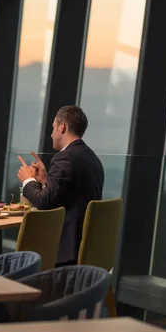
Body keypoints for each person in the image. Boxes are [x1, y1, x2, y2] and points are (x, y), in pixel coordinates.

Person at [17, 105, 104, 266]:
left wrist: (28, 180)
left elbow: (44, 203)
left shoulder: (64, 158)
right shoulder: (92, 158)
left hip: (65, 251)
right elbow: (71, 193)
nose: (51, 134)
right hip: (88, 247)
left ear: (62, 127)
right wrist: (45, 180)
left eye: (53, 128)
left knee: (20, 263)